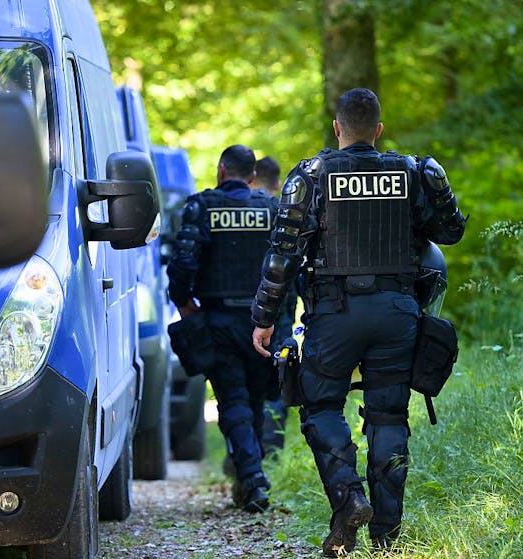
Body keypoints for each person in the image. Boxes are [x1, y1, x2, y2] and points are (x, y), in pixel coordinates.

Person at [250, 88, 466, 556]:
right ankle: (387, 536)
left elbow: (282, 255)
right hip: (397, 313)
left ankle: (349, 498)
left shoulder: (311, 176)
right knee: (389, 416)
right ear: (379, 130)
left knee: (320, 406)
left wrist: (264, 318)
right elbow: (450, 232)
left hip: (334, 315)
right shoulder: (413, 172)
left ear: (337, 128)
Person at [167, 144, 278, 512]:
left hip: (218, 320)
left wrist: (183, 302)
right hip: (262, 322)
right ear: (252, 176)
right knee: (255, 400)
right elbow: (287, 265)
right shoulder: (270, 209)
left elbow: (183, 262)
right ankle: (251, 478)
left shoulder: (202, 207)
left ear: (221, 170)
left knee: (233, 400)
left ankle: (252, 478)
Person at [253, 155, 294, 454]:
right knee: (279, 380)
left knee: (244, 384)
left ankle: (246, 454)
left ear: (251, 178)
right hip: (282, 313)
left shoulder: (241, 210)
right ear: (278, 183)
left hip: (242, 313)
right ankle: (271, 452)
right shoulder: (287, 214)